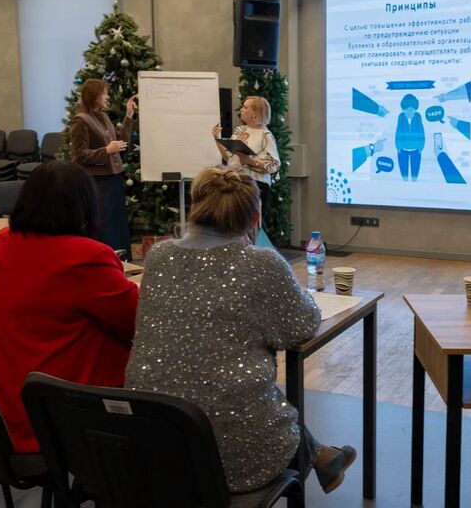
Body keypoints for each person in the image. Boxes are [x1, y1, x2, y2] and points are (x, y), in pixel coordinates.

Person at [125, 167, 355, 495]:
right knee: (249, 400)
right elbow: (301, 326)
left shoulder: (159, 256)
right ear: (254, 219)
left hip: (152, 446)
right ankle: (321, 456)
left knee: (233, 385)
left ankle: (324, 457)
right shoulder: (261, 265)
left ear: (195, 208)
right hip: (232, 457)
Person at [0, 160, 139, 454]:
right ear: (85, 206)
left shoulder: (2, 244)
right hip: (61, 411)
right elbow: (138, 320)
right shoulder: (85, 257)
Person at [70, 79, 136, 259]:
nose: (107, 97)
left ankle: (120, 261)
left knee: (117, 224)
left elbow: (121, 140)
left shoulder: (104, 116)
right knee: (103, 225)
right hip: (98, 182)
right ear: (94, 95)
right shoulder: (81, 121)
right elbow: (79, 155)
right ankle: (102, 261)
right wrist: (106, 150)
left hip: (114, 179)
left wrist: (129, 115)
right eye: (104, 93)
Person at [212, 96, 280, 209]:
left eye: (245, 107)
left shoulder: (265, 134)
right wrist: (217, 138)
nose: (241, 110)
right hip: (234, 180)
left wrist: (250, 161)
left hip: (255, 184)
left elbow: (275, 165)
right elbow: (229, 158)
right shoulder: (240, 130)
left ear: (255, 114)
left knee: (248, 218)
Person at [394, 93, 424, 181]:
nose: (409, 113)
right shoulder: (401, 116)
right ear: (403, 109)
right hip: (403, 149)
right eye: (407, 110)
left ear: (415, 109)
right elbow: (398, 132)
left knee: (415, 171)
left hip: (416, 149)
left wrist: (420, 147)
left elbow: (421, 132)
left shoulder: (418, 116)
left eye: (412, 110)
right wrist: (398, 146)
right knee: (404, 172)